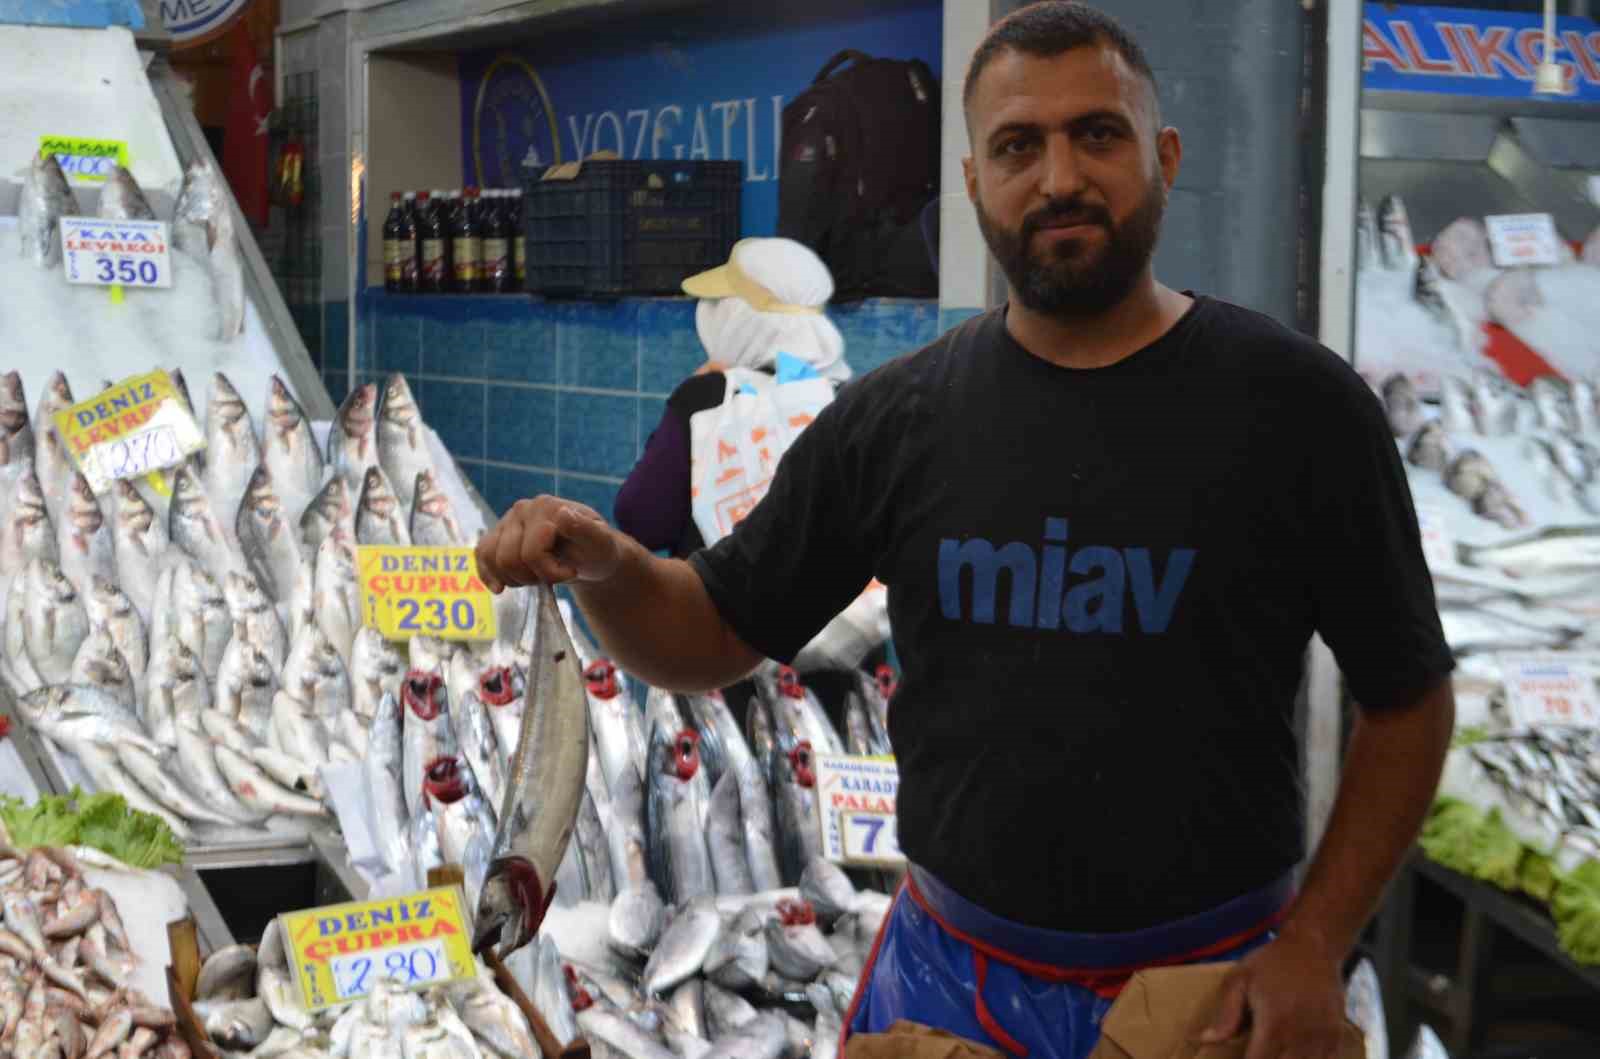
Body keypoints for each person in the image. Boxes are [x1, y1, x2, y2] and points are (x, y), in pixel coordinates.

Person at [476, 4, 1456, 1057]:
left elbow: (1407, 703)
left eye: (1098, 135)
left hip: (1212, 998)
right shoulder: (898, 420)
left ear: (1164, 156)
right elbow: (710, 632)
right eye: (1017, 147)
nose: (1060, 178)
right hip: (949, 987)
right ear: (975, 180)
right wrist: (612, 565)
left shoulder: (1297, 408)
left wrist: (1317, 941)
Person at [615, 236, 851, 560]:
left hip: (714, 606)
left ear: (738, 319)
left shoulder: (705, 398)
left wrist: (689, 399)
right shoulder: (850, 400)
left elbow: (642, 521)